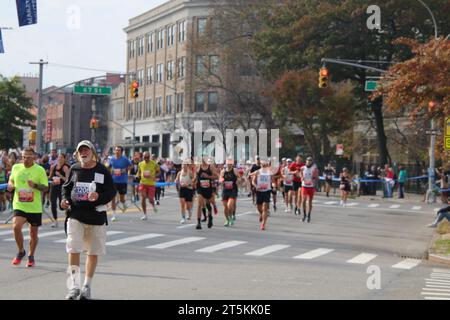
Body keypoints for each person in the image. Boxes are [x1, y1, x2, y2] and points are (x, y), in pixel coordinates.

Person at [61, 140, 116, 300]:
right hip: (75, 214)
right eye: (80, 151)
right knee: (73, 248)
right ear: (77, 154)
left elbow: (111, 191)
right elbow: (67, 188)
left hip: (96, 216)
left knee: (92, 252)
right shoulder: (75, 168)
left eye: (86, 150)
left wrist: (99, 196)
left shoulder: (102, 170)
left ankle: (86, 286)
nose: (83, 153)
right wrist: (64, 201)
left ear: (93, 153)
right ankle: (74, 286)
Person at [8, 147, 49, 268]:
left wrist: (35, 185)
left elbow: (46, 188)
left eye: (29, 157)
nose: (26, 159)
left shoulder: (39, 170)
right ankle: (21, 251)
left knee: (33, 233)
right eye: (24, 157)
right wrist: (11, 185)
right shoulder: (16, 167)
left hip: (34, 207)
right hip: (19, 204)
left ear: (34, 157)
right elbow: (11, 180)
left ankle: (31, 256)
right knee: (16, 227)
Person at [108, 146, 132, 222]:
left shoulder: (125, 159)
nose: (116, 152)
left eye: (118, 150)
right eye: (116, 150)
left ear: (121, 152)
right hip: (113, 181)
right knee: (113, 198)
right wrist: (108, 170)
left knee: (122, 199)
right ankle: (114, 215)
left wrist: (124, 170)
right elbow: (108, 167)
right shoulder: (111, 159)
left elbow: (130, 166)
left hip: (122, 181)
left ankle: (124, 204)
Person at [136, 151, 160, 221]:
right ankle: (145, 214)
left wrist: (154, 176)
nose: (146, 159)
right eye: (145, 157)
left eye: (147, 157)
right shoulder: (140, 164)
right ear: (142, 157)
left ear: (149, 157)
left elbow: (159, 172)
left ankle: (153, 205)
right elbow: (139, 172)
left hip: (151, 184)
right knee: (143, 198)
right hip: (143, 183)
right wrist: (137, 176)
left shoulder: (154, 164)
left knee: (150, 199)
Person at [196, 157, 218, 230]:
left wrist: (208, 176)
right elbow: (196, 176)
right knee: (199, 204)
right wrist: (193, 181)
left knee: (208, 204)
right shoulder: (198, 167)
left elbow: (216, 176)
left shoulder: (210, 167)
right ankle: (198, 223)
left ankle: (210, 218)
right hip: (200, 188)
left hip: (208, 188)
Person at [48, 153, 70, 228]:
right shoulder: (53, 167)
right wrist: (50, 179)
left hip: (62, 188)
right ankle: (55, 221)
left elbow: (68, 180)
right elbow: (50, 177)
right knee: (52, 203)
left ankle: (68, 218)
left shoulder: (65, 168)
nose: (60, 159)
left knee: (62, 206)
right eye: (59, 157)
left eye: (61, 158)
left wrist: (60, 176)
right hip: (53, 187)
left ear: (64, 159)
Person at [252, 159, 273, 231]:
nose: (264, 166)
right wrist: (256, 186)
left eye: (265, 165)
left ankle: (263, 224)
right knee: (259, 207)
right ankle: (261, 214)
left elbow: (273, 181)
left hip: (267, 191)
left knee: (265, 208)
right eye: (263, 164)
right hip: (259, 191)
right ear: (261, 165)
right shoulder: (258, 172)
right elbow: (253, 181)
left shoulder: (270, 172)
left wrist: (274, 186)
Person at [220, 158, 240, 227]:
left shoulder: (235, 170)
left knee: (229, 205)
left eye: (231, 164)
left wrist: (238, 180)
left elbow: (239, 178)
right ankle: (227, 219)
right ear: (226, 164)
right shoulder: (223, 171)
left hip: (233, 190)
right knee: (225, 207)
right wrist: (221, 180)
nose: (229, 165)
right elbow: (220, 179)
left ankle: (231, 217)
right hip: (225, 190)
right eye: (228, 163)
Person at [175, 159, 196, 224]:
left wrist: (188, 184)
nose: (184, 166)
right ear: (181, 166)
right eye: (183, 165)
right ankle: (183, 218)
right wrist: (177, 182)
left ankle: (189, 211)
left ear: (187, 166)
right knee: (182, 204)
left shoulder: (190, 172)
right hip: (182, 189)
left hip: (189, 189)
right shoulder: (179, 173)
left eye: (185, 165)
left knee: (188, 206)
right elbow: (176, 180)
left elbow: (194, 181)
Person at [300, 157, 319, 223]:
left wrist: (314, 179)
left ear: (311, 162)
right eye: (308, 160)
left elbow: (317, 177)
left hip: (311, 187)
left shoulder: (314, 169)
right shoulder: (303, 168)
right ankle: (304, 215)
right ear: (306, 161)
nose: (309, 161)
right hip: (304, 186)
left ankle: (309, 215)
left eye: (310, 161)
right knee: (303, 200)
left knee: (310, 202)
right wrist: (301, 177)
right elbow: (300, 174)